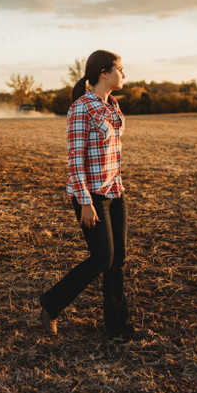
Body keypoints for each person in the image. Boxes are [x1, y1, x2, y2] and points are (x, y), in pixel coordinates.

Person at [39, 49, 152, 342]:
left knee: (119, 259)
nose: (124, 75)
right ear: (104, 73)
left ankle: (117, 327)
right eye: (120, 69)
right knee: (103, 258)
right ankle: (51, 304)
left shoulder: (113, 107)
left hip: (115, 191)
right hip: (91, 196)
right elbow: (75, 159)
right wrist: (86, 202)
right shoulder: (81, 108)